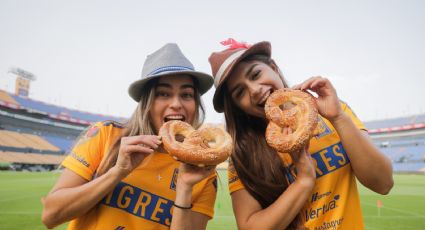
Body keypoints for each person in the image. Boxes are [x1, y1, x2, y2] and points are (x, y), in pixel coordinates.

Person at [208, 39, 394, 229]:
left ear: (274, 68)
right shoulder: (243, 154)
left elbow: (383, 183)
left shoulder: (333, 112)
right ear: (238, 107)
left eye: (256, 74)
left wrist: (338, 117)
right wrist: (303, 182)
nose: (254, 90)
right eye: (240, 92)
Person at [42, 43, 218, 230]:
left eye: (186, 94)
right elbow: (51, 216)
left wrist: (184, 188)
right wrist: (118, 172)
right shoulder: (106, 134)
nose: (176, 103)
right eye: (163, 94)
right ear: (147, 103)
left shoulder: (201, 171)